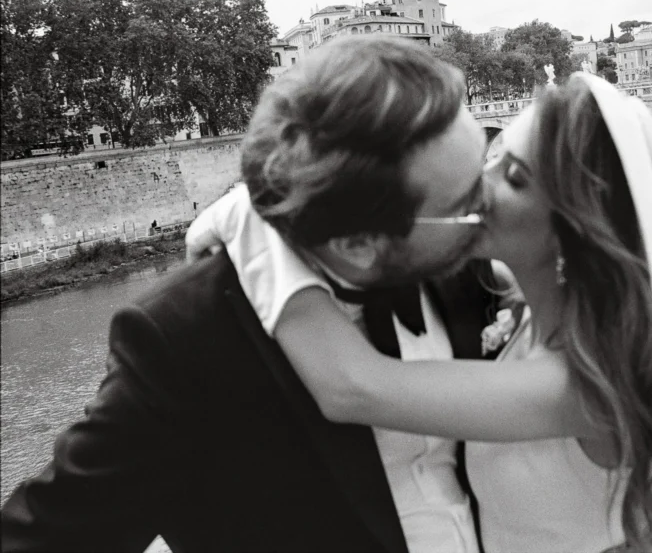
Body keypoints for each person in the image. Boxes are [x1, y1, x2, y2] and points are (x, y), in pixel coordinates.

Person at [190, 73, 652, 552]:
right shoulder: (531, 309)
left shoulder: (591, 383)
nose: (479, 182)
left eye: (513, 177)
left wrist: (261, 225)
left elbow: (351, 387)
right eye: (495, 156)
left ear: (574, 237)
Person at [0, 36, 506, 553]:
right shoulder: (183, 339)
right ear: (358, 243)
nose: (495, 201)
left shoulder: (454, 249)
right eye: (469, 198)